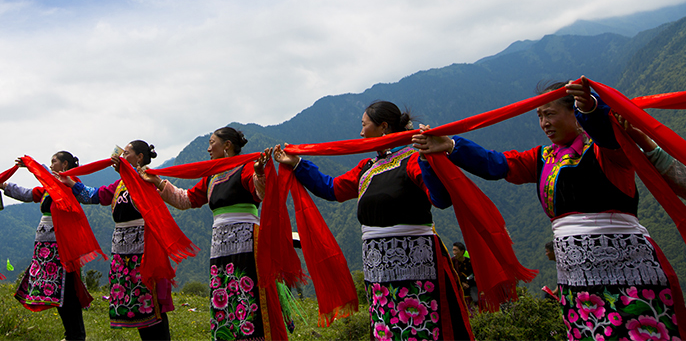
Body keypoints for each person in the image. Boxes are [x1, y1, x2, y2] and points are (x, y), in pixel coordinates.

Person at [413, 79, 686, 341]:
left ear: (574, 115)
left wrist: (589, 108)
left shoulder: (607, 151)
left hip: (625, 264)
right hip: (575, 275)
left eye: (550, 114)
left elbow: (607, 133)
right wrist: (451, 145)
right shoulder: (542, 157)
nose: (544, 123)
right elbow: (498, 164)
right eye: (539, 116)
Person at [271, 102, 471, 340]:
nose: (361, 133)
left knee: (422, 327)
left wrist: (429, 161)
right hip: (378, 272)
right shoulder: (367, 167)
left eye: (364, 125)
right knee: (387, 328)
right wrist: (297, 164)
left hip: (417, 266)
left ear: (383, 127)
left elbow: (440, 198)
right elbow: (332, 188)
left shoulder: (415, 160)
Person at [140, 127, 274, 341]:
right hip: (220, 244)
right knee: (223, 291)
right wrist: (157, 181)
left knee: (246, 291)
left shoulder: (247, 167)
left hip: (247, 241)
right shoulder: (212, 175)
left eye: (213, 142)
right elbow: (186, 199)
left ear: (227, 146)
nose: (209, 148)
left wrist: (259, 172)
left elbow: (262, 192)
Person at [73, 140, 173, 340]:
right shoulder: (120, 184)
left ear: (140, 158)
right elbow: (95, 196)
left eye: (126, 153)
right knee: (135, 304)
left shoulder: (148, 179)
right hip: (121, 251)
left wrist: (128, 174)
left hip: (144, 253)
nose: (121, 156)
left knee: (150, 303)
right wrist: (72, 184)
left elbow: (150, 200)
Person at [3, 151, 93, 341]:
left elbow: (50, 180)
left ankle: (76, 335)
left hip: (62, 245)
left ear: (65, 164)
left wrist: (33, 165)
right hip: (46, 246)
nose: (51, 165)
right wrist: (5, 185)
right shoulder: (48, 187)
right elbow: (29, 194)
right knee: (57, 291)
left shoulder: (69, 183)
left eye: (54, 161)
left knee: (67, 290)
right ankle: (71, 334)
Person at [451, 242, 476, 311]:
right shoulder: (452, 262)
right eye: (453, 250)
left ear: (462, 252)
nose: (454, 252)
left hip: (470, 286)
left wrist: (468, 283)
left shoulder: (469, 262)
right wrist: (461, 283)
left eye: (456, 250)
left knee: (476, 299)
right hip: (458, 286)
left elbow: (473, 274)